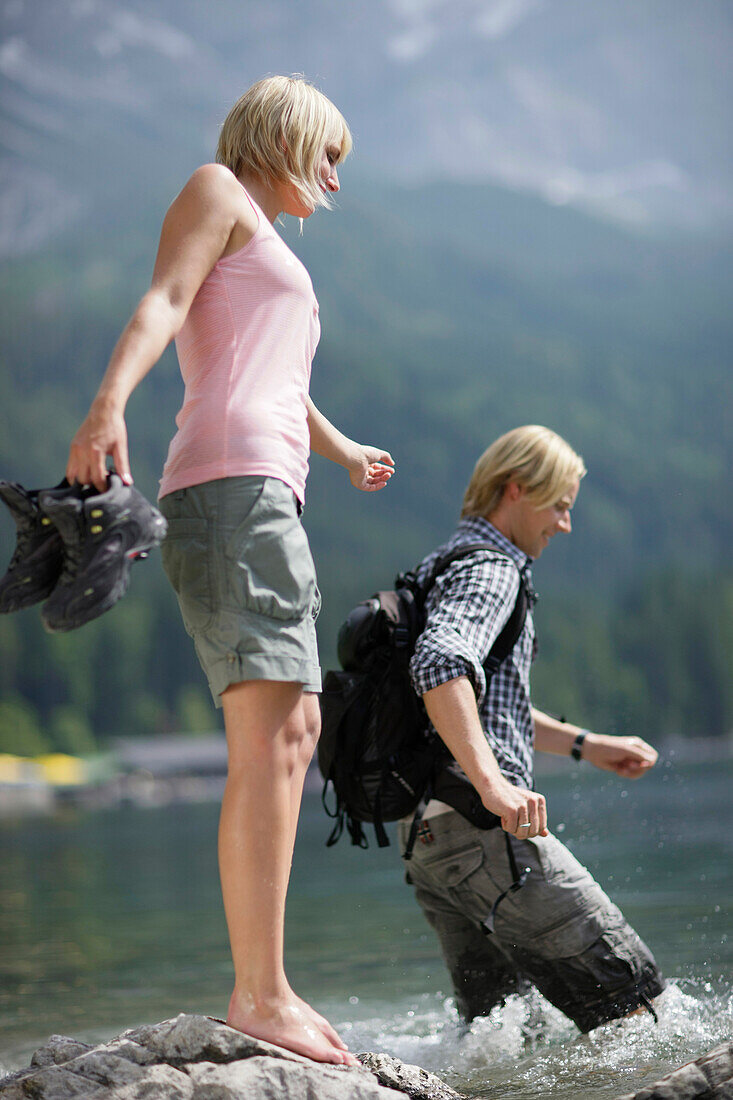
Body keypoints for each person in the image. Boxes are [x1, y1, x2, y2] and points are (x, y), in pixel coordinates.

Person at [66, 75, 394, 1066]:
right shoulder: (216, 188)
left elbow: (280, 377)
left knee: (293, 725)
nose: (335, 175)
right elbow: (165, 300)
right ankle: (260, 991)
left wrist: (340, 451)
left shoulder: (273, 242)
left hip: (266, 489)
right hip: (231, 486)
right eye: (326, 153)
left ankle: (267, 982)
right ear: (283, 138)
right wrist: (106, 406)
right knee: (270, 732)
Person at [400, 425, 664, 1033]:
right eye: (561, 506)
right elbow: (440, 667)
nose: (565, 525)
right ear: (515, 489)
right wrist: (492, 786)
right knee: (640, 1007)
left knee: (506, 1034)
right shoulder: (492, 569)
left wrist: (584, 744)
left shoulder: (438, 565)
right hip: (483, 828)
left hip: (430, 841)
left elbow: (481, 699)